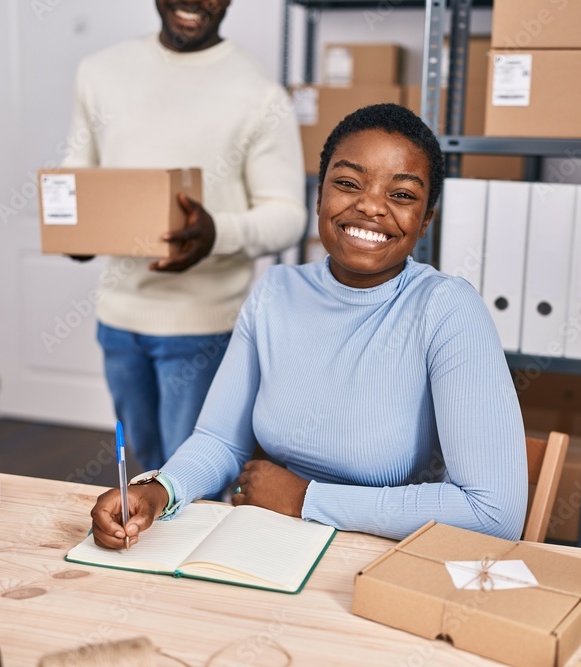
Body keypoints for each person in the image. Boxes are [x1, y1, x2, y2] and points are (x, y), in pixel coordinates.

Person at [90, 103, 527, 545]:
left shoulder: (447, 310)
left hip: (373, 554)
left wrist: (304, 499)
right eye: (347, 183)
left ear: (425, 219)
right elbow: (219, 440)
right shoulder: (276, 291)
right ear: (319, 197)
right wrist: (157, 491)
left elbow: (493, 513)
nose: (371, 206)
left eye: (402, 195)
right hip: (268, 540)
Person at [62, 0, 307, 472]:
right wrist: (75, 227)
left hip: (202, 328)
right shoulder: (99, 72)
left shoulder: (259, 93)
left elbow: (288, 215)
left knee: (190, 481)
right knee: (146, 466)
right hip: (118, 320)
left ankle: (198, 549)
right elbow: (78, 176)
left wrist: (218, 233)